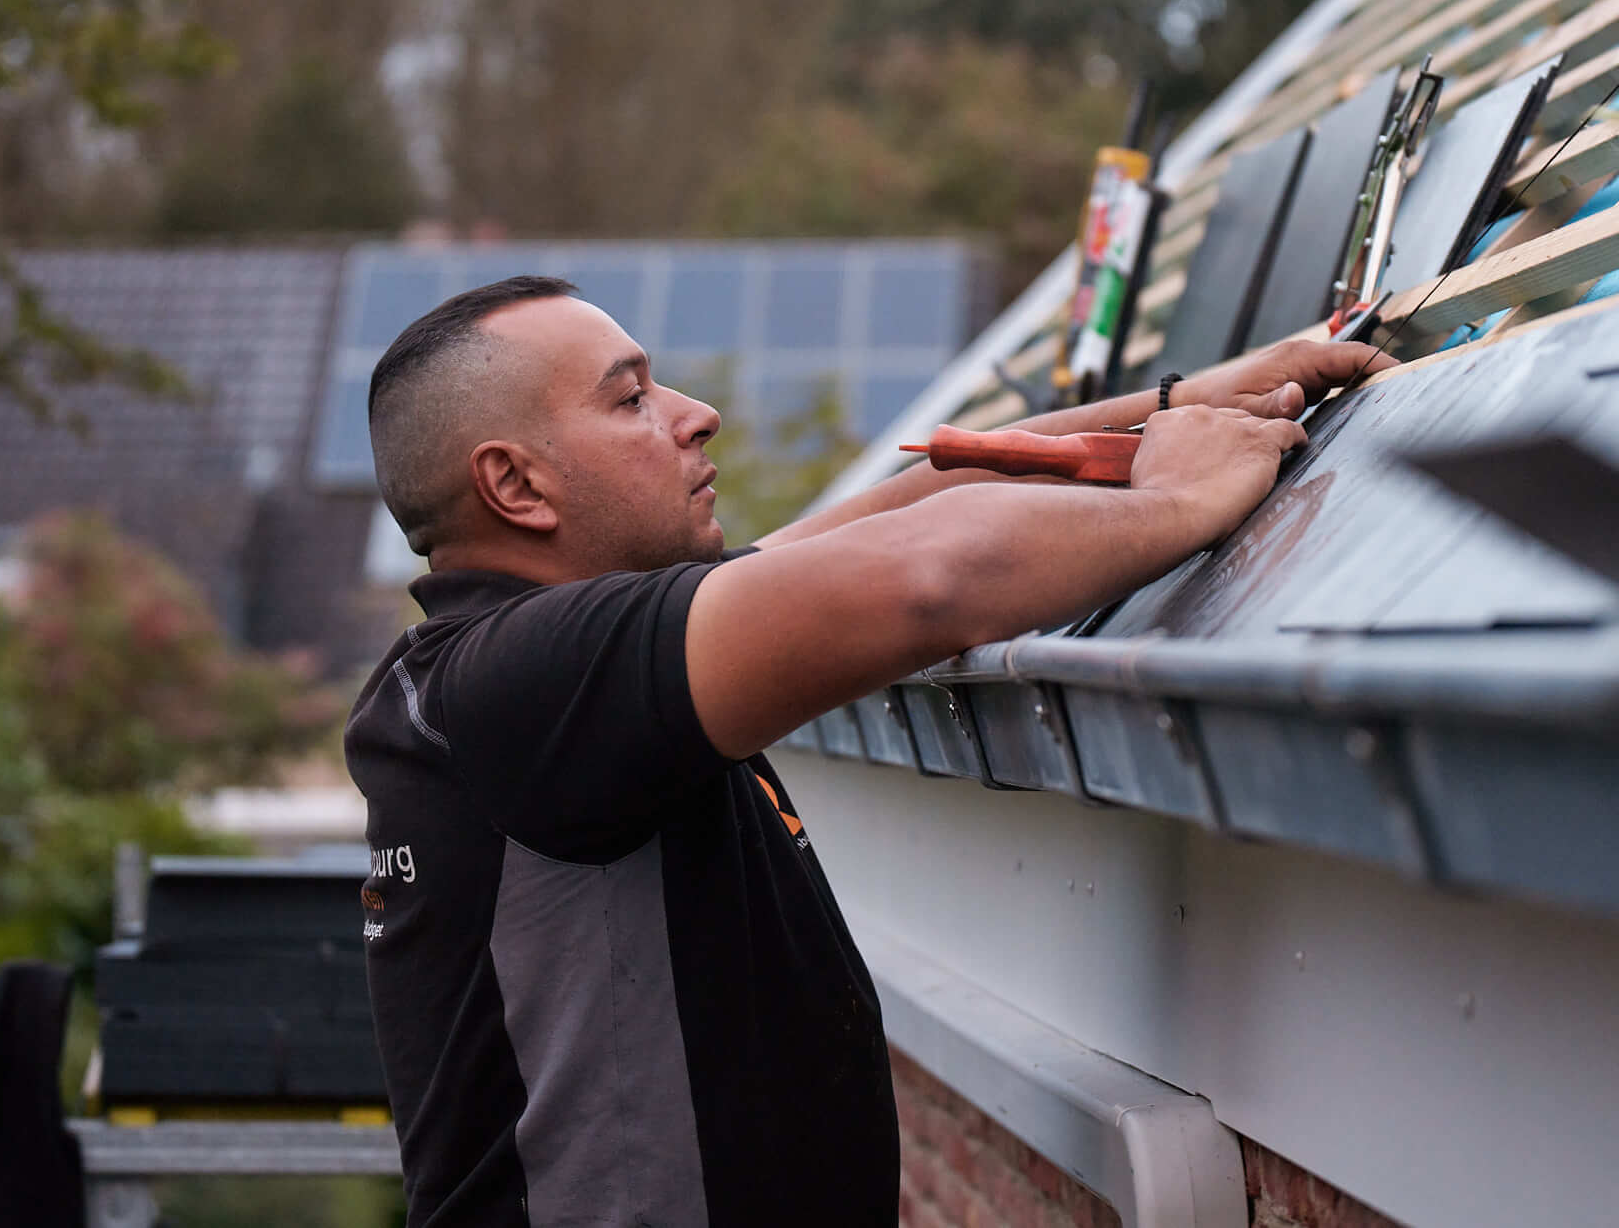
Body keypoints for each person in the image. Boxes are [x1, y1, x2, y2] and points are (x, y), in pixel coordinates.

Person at [345, 274, 1395, 1226]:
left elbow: (894, 512)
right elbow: (916, 576)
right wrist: (1179, 498)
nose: (694, 415)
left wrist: (1178, 406)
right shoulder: (524, 684)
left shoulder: (522, 675)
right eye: (630, 400)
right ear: (517, 489)